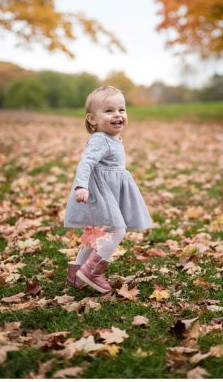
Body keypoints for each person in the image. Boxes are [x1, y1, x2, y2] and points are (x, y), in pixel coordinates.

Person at [64, 85, 153, 293]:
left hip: (109, 192)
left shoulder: (112, 138)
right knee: (117, 229)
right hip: (98, 192)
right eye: (109, 110)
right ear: (92, 119)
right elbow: (86, 163)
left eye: (121, 110)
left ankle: (77, 273)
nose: (117, 115)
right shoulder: (99, 140)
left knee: (98, 233)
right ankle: (91, 271)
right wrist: (81, 186)